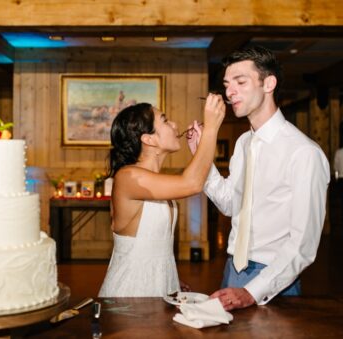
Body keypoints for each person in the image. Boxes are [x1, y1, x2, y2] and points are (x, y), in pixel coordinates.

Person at [194, 45, 330, 311]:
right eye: (226, 84)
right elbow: (230, 204)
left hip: (274, 279)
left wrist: (252, 291)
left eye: (240, 82)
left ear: (269, 83)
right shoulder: (244, 142)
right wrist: (204, 160)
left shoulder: (304, 153)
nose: (229, 92)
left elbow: (303, 245)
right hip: (233, 266)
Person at [98, 96, 226, 297]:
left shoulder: (153, 180)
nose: (175, 125)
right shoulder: (128, 177)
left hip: (160, 287)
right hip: (131, 292)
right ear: (148, 139)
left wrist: (168, 276)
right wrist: (211, 128)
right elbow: (192, 183)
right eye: (165, 120)